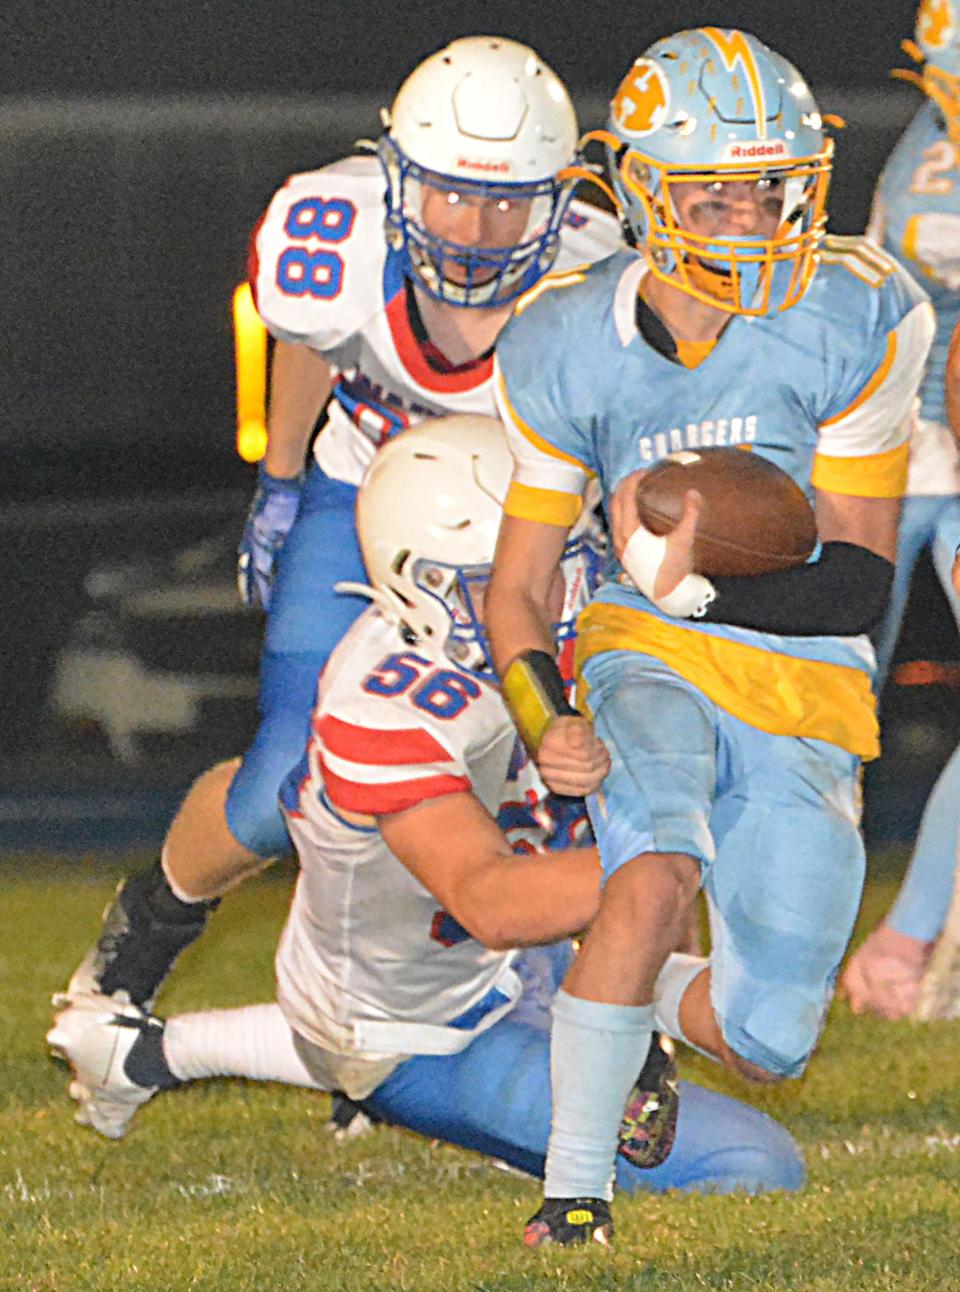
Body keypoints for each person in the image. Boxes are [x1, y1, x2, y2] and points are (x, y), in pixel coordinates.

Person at [48, 419, 804, 1210]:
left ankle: (144, 1055)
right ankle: (200, 1062)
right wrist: (697, 847)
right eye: (498, 578)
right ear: (421, 586)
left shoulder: (558, 640)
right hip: (417, 1030)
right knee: (753, 1164)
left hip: (502, 964)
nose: (542, 595)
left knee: (759, 1022)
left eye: (551, 561)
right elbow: (491, 902)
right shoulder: (389, 708)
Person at [54, 38, 622, 1020]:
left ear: (558, 199)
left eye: (509, 200)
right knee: (284, 784)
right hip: (359, 510)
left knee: (555, 779)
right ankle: (146, 927)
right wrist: (279, 483)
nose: (479, 227)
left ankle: (497, 1009)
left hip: (525, 544)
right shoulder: (336, 237)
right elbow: (312, 343)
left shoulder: (595, 282)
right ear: (400, 180)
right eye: (449, 193)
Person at [484, 27, 934, 1246]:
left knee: (773, 1037)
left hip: (805, 667)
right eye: (712, 189)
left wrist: (688, 582)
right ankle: (574, 1194)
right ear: (639, 189)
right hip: (644, 649)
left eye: (769, 185)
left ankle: (628, 1002)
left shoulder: (853, 311)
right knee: (653, 863)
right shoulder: (564, 340)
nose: (747, 214)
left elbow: (851, 584)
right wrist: (547, 718)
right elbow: (517, 586)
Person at [840, 2, 960, 1020]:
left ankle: (900, 942)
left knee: (827, 714)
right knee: (823, 713)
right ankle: (883, 944)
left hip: (907, 448)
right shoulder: (934, 168)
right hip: (915, 450)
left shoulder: (929, 138)